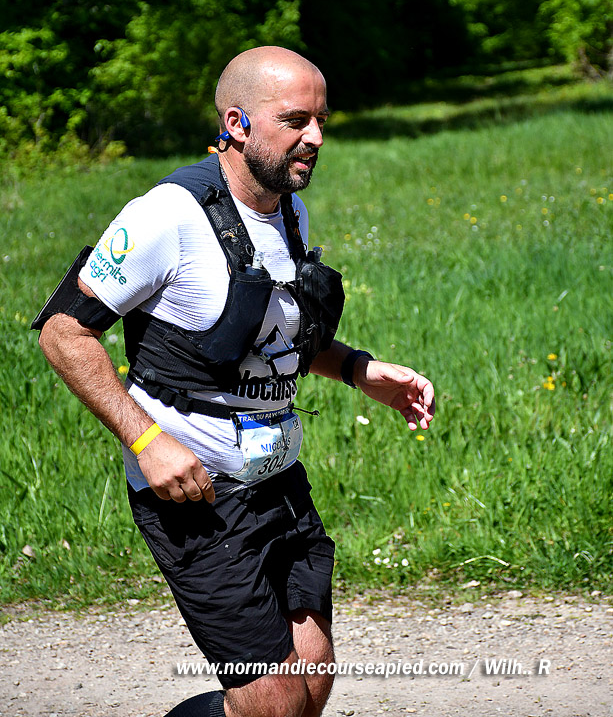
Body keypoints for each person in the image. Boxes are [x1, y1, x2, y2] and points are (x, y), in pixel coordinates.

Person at [36, 46, 435, 717]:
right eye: (296, 120)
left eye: (322, 120)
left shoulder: (288, 212)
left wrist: (360, 370)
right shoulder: (166, 216)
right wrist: (147, 442)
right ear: (237, 123)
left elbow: (272, 339)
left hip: (276, 478)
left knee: (311, 684)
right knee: (272, 702)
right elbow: (62, 333)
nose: (315, 137)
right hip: (194, 495)